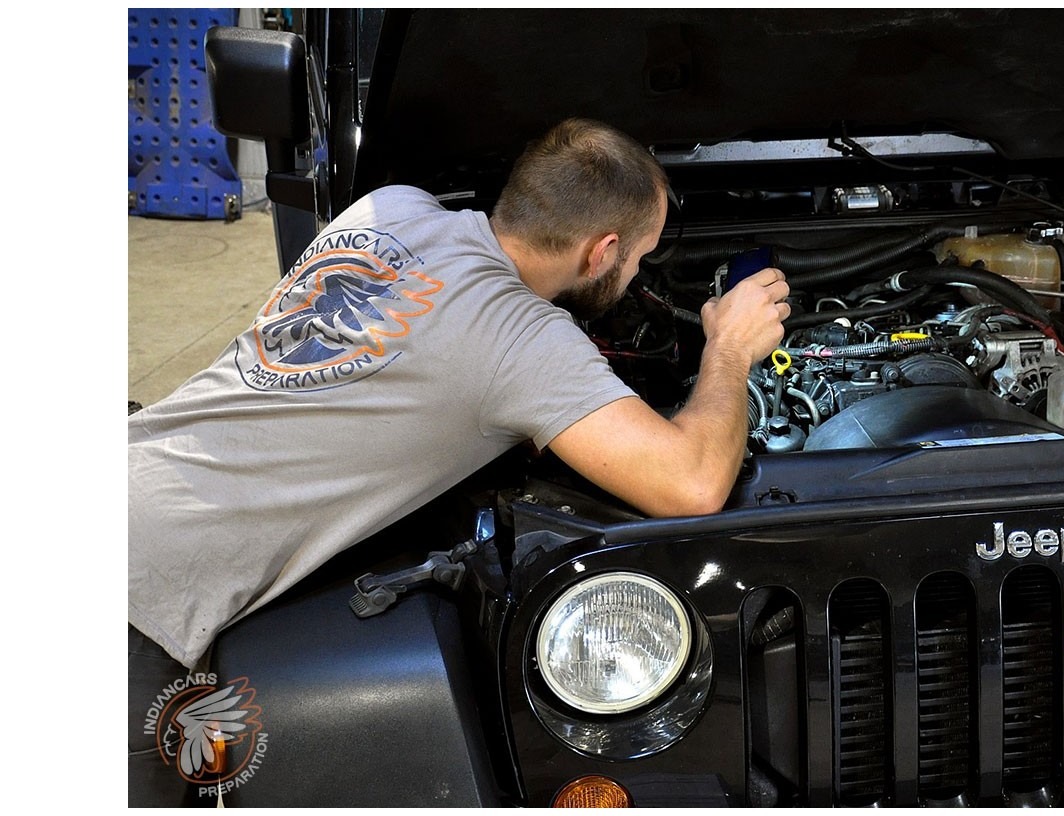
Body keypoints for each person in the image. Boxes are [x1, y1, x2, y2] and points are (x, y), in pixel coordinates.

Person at [127, 117, 790, 804]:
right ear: (602, 253)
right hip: (146, 603)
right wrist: (730, 348)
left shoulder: (392, 208)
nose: (637, 277)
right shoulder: (523, 342)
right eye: (641, 260)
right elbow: (692, 484)